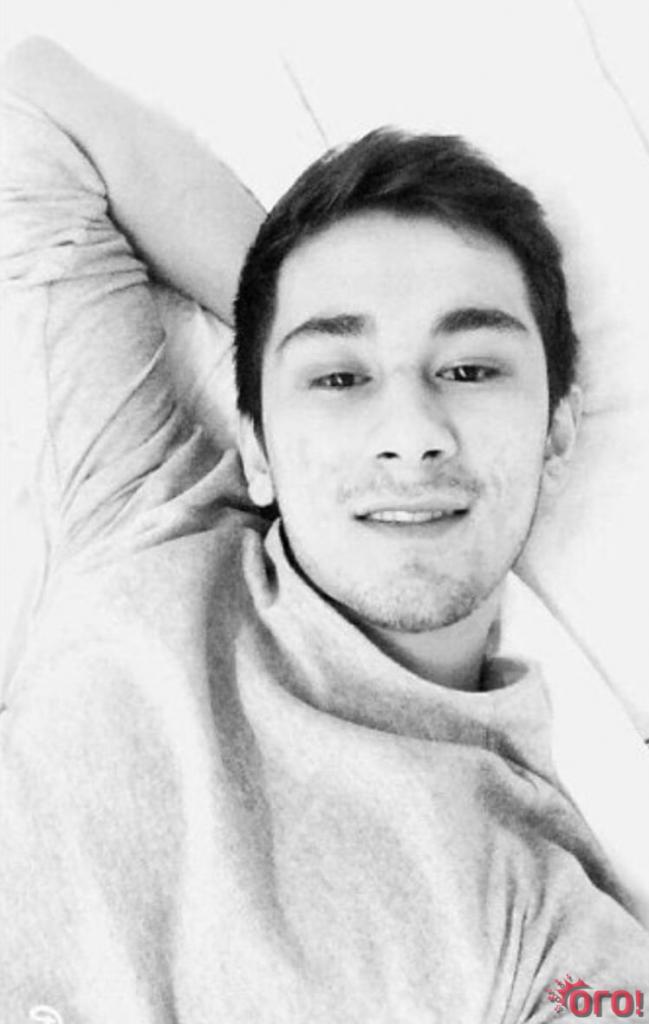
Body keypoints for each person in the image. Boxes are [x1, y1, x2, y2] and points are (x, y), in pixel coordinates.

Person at [1, 37, 647, 1024]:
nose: (410, 434)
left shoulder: (546, 921)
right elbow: (28, 96)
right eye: (339, 379)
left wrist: (323, 341)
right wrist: (287, 309)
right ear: (256, 444)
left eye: (470, 369)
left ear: (556, 431)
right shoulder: (148, 514)